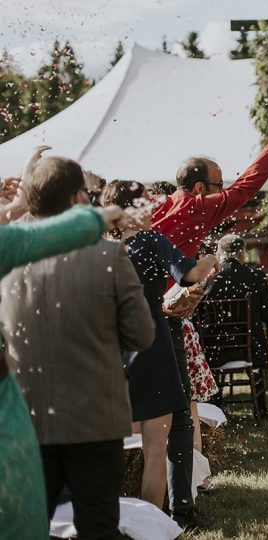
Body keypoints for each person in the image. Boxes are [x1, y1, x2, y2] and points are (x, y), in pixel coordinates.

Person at [150, 97, 268, 529]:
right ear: (201, 188)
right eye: (217, 183)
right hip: (162, 320)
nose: (225, 191)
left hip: (134, 317)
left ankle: (154, 504)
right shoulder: (197, 208)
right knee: (182, 415)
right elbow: (248, 186)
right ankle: (180, 511)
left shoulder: (158, 209)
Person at [0, 155, 154, 539]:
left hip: (24, 417)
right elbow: (142, 334)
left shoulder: (6, 251)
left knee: (24, 527)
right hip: (94, 415)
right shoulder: (108, 254)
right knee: (98, 525)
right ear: (75, 197)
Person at [99, 180, 218, 509]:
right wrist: (210, 258)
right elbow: (190, 275)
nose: (154, 209)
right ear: (134, 208)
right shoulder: (150, 240)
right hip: (150, 344)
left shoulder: (95, 247)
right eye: (148, 203)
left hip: (105, 347)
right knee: (155, 447)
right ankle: (148, 525)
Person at [201, 234, 268, 377]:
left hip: (215, 350)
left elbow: (201, 314)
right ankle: (261, 393)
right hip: (250, 348)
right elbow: (266, 310)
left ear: (219, 254)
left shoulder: (209, 280)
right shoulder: (255, 277)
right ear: (241, 253)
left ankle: (215, 396)